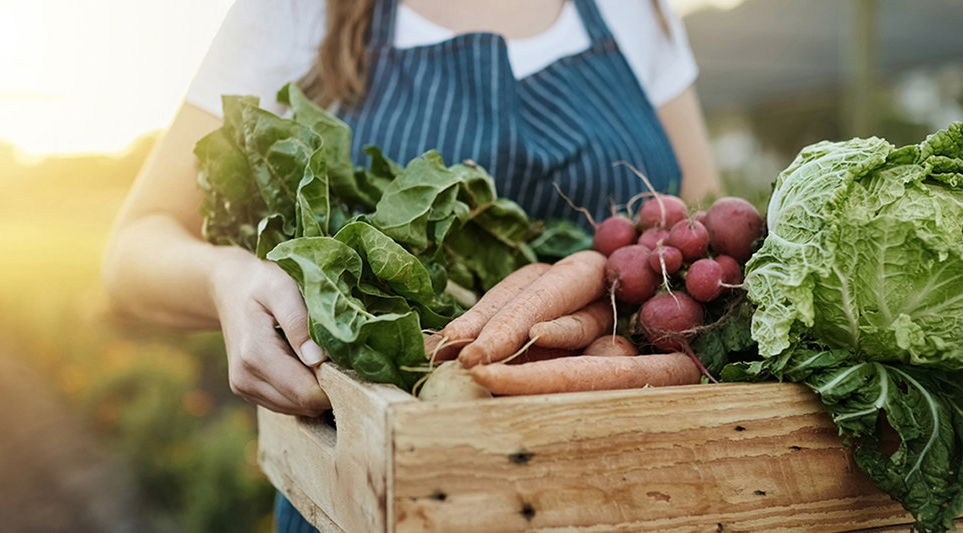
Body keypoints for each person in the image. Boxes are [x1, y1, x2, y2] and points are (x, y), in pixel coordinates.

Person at [102, 0, 721, 530]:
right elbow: (132, 249)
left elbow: (704, 228)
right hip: (378, 495)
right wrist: (226, 279)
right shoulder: (296, 10)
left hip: (637, 484)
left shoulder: (633, 8)